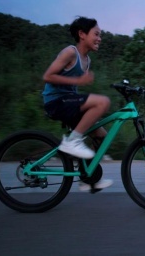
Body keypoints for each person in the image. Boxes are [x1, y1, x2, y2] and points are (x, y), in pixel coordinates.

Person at [42, 16, 113, 192]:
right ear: (82, 34)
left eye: (100, 35)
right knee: (102, 102)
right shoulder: (70, 52)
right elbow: (47, 76)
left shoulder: (87, 60)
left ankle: (86, 177)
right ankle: (72, 141)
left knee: (102, 137)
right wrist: (79, 80)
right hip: (56, 101)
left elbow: (75, 91)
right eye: (96, 34)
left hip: (69, 102)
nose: (99, 38)